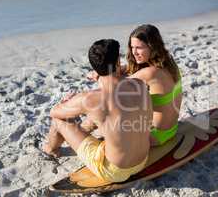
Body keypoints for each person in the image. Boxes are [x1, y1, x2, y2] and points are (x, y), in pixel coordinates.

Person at [43, 39, 153, 183]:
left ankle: (51, 149)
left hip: (115, 171)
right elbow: (116, 93)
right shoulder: (139, 84)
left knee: (58, 121)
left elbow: (54, 112)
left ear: (95, 68)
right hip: (142, 159)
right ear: (118, 62)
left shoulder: (90, 99)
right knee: (104, 116)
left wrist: (66, 102)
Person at [87, 24, 182, 146]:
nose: (134, 52)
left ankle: (82, 131)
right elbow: (127, 69)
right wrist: (114, 69)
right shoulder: (167, 61)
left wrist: (100, 74)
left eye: (139, 48)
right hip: (171, 129)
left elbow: (113, 86)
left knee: (106, 104)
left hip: (154, 137)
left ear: (152, 47)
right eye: (132, 47)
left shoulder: (150, 73)